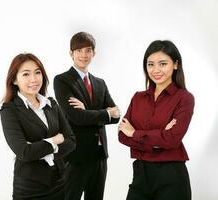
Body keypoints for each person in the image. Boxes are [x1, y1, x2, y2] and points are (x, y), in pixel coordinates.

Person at [118, 40, 194, 200]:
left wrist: (134, 133)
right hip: (140, 174)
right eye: (150, 64)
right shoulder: (138, 98)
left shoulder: (184, 98)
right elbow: (122, 136)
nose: (156, 70)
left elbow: (172, 140)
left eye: (163, 63)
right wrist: (160, 136)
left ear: (175, 65)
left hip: (171, 176)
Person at [0, 53, 76, 200]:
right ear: (15, 79)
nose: (33, 79)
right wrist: (55, 141)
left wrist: (39, 148)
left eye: (37, 72)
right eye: (26, 74)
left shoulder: (51, 104)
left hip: (59, 181)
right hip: (30, 187)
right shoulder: (9, 110)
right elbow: (24, 152)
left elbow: (71, 141)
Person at [54, 32, 120, 200]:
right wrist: (104, 113)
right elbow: (77, 117)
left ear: (94, 53)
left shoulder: (100, 83)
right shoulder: (62, 81)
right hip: (76, 156)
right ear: (71, 53)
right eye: (79, 50)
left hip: (100, 156)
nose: (84, 55)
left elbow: (117, 115)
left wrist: (89, 112)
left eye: (88, 50)